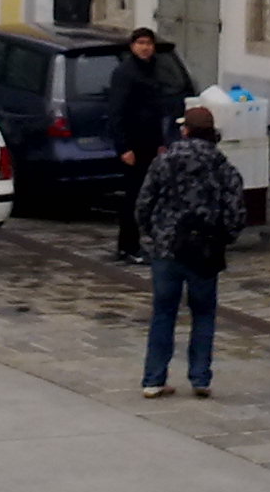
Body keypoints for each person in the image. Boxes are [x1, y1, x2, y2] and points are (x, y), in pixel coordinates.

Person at [134, 104, 246, 398]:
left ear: (185, 131)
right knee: (204, 313)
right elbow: (236, 212)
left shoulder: (164, 161)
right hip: (205, 251)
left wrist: (151, 234)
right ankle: (200, 378)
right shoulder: (223, 166)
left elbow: (144, 203)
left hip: (167, 248)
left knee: (163, 313)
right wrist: (225, 239)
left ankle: (153, 379)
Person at [105, 25, 170, 263]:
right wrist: (123, 147)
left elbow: (155, 110)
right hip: (133, 144)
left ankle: (142, 242)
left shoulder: (153, 70)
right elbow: (116, 112)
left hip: (150, 143)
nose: (145, 48)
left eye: (149, 43)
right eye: (141, 43)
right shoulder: (125, 72)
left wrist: (160, 143)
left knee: (149, 195)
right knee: (132, 197)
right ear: (133, 46)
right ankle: (128, 246)